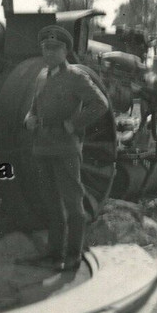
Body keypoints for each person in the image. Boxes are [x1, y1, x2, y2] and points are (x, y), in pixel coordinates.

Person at [19, 25, 110, 272]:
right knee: (51, 203)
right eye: (45, 48)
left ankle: (73, 255)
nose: (49, 53)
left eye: (54, 48)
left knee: (73, 203)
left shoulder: (76, 77)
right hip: (42, 148)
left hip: (65, 148)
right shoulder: (41, 76)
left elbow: (100, 104)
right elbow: (34, 107)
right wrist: (28, 119)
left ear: (65, 51)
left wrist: (73, 124)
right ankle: (54, 253)